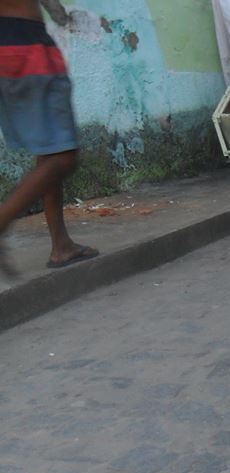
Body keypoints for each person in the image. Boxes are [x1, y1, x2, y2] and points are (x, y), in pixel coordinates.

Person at [0, 0, 97, 278]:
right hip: (25, 43)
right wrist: (61, 14)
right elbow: (55, 11)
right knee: (63, 157)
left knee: (50, 149)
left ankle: (61, 245)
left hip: (10, 43)